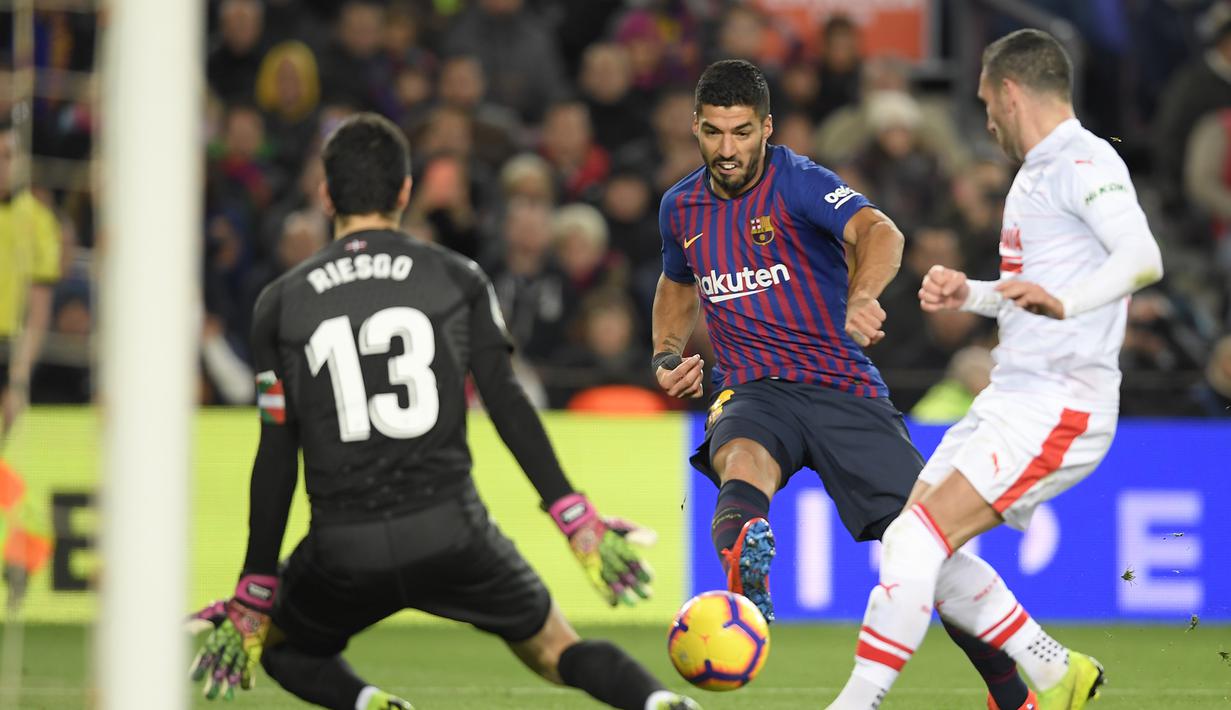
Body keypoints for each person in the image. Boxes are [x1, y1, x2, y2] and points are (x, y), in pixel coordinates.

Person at [188, 114, 701, 710]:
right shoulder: (457, 277)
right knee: (557, 650)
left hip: (343, 544)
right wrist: (574, 518)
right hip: (450, 532)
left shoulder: (279, 304)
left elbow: (275, 454)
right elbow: (507, 402)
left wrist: (254, 588)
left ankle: (371, 704)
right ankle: (660, 705)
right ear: (406, 190)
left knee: (281, 648)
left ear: (326, 193)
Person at [651, 59, 1033, 710]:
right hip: (753, 387)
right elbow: (677, 282)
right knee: (738, 455)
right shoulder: (679, 206)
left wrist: (860, 296)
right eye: (712, 133)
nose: (726, 149)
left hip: (838, 386)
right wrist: (664, 355)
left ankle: (1012, 694)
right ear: (695, 127)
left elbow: (879, 231)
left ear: (765, 127)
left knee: (927, 555)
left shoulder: (798, 182)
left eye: (740, 132)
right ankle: (747, 561)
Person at [827, 29, 1163, 709]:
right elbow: (1033, 293)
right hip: (1013, 396)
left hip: (1059, 405)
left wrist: (1067, 301)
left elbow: (1140, 257)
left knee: (918, 539)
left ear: (1010, 93)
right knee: (918, 542)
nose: (982, 118)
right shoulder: (1034, 175)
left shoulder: (1083, 161)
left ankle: (855, 704)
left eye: (985, 101)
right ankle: (1053, 670)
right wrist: (973, 295)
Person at [0, 121, 61, 444]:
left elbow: (38, 311)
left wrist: (17, 381)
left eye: (7, 156)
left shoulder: (38, 222)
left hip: (9, 350)